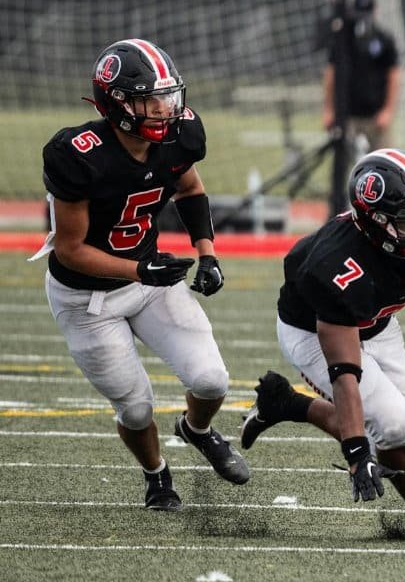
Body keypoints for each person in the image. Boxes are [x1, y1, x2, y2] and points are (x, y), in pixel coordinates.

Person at [34, 38, 249, 511]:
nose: (164, 109)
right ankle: (157, 476)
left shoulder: (180, 134)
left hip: (147, 280)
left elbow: (189, 186)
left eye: (167, 96)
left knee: (212, 380)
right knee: (134, 407)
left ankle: (196, 430)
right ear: (118, 104)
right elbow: (69, 251)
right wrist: (139, 268)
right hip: (86, 299)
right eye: (149, 99)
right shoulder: (78, 153)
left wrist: (207, 253)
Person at [240, 148, 405, 544]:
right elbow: (344, 371)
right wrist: (354, 452)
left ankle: (288, 404)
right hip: (314, 331)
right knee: (391, 427)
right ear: (378, 224)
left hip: (377, 320)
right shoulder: (335, 266)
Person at [323, 0, 403, 219]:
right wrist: (329, 109)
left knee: (387, 165)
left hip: (375, 115)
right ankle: (336, 213)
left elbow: (394, 75)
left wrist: (388, 110)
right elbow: (331, 74)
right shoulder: (343, 40)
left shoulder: (384, 39)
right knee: (341, 167)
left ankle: (387, 213)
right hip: (347, 115)